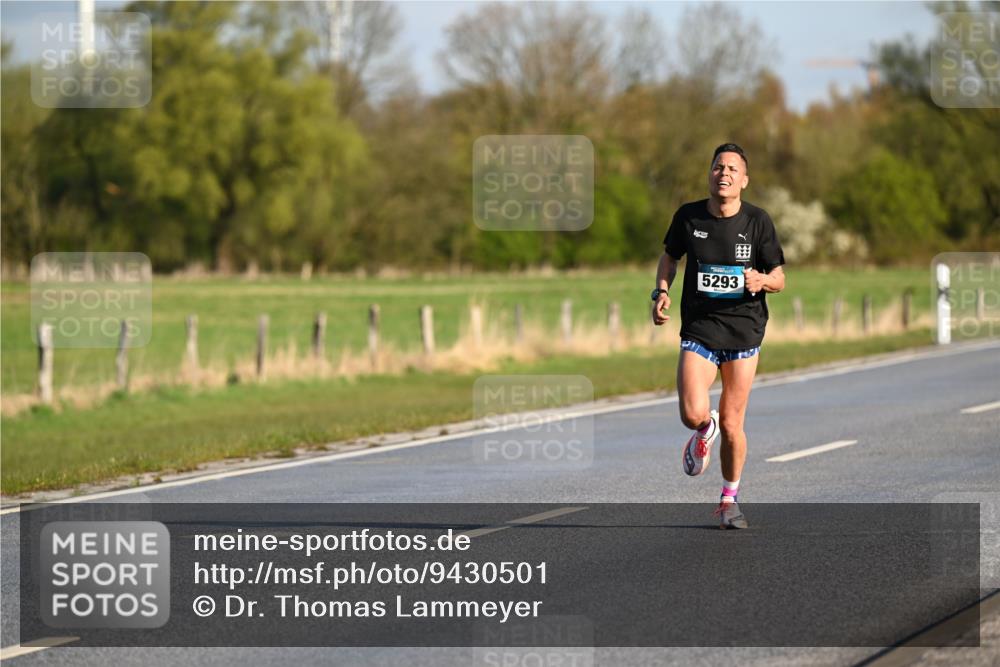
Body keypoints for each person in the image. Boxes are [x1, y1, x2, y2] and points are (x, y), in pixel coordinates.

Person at [651, 143, 785, 529]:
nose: (723, 174)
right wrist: (661, 291)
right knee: (692, 413)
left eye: (731, 169)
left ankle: (729, 501)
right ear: (709, 174)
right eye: (717, 167)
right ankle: (702, 428)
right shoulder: (688, 216)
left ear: (744, 180)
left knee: (731, 423)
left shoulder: (758, 221)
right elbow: (670, 257)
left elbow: (779, 277)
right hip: (701, 327)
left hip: (744, 330)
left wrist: (761, 281)